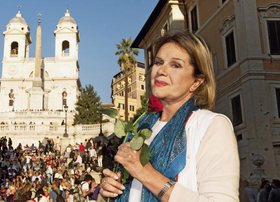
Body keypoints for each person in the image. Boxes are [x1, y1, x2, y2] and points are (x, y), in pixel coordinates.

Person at [100, 31, 240, 201]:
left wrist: (144, 172)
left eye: (175, 65)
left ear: (197, 81)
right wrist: (107, 191)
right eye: (158, 62)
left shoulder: (211, 125)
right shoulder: (141, 128)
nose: (161, 70)